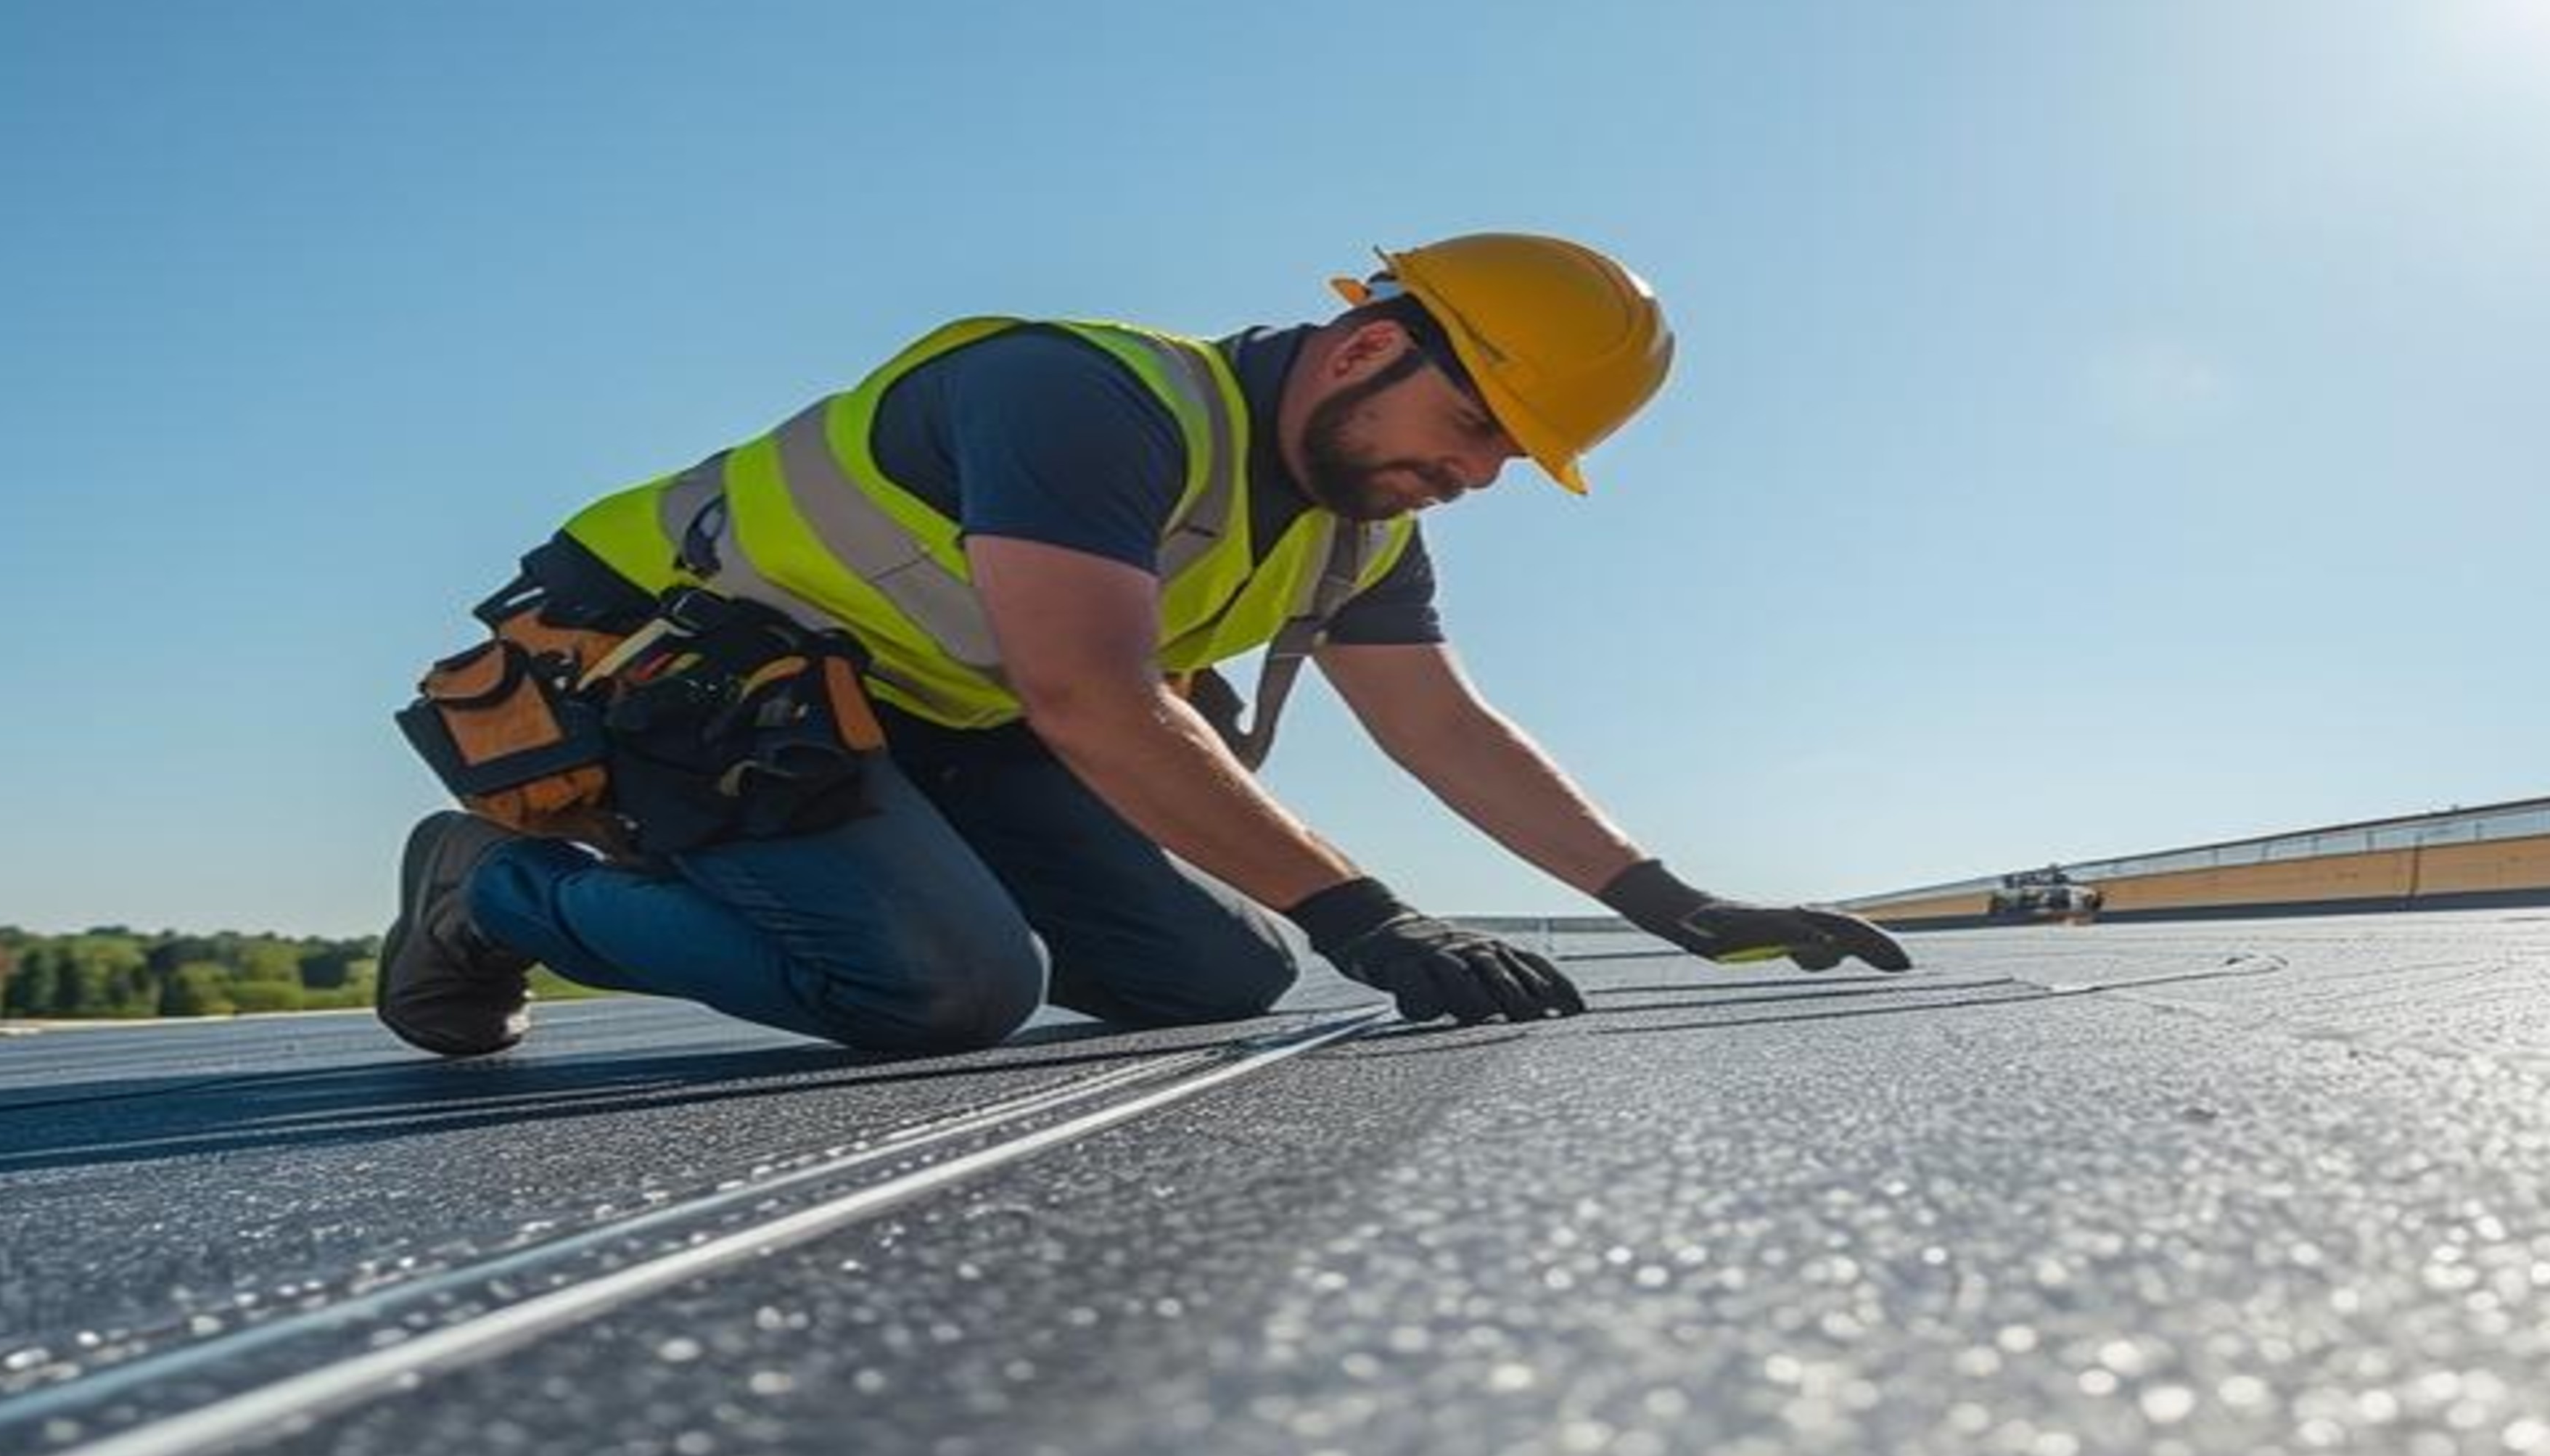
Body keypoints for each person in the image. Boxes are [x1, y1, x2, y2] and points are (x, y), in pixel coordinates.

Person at [371, 233, 1907, 1058]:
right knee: (948, 993)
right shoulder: (1084, 401)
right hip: (680, 673)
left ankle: (807, 875)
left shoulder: (1357, 516)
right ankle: (494, 891)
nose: (1479, 474)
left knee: (1216, 972)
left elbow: (1445, 728)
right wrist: (1371, 921)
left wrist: (1676, 903)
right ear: (1369, 347)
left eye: (1516, 456)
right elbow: (1088, 697)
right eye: (1476, 428)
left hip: (902, 721)